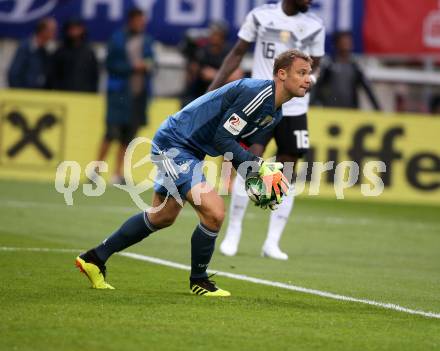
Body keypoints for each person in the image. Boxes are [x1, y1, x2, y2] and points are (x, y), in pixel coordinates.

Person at [75, 49, 313, 296]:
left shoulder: (276, 112)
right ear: (282, 74)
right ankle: (199, 280)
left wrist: (254, 177)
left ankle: (94, 258)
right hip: (175, 143)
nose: (308, 79)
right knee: (215, 212)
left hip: (191, 149)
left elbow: (235, 145)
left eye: (309, 73)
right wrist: (256, 165)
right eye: (302, 73)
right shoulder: (258, 94)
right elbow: (223, 138)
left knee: (162, 216)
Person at [208, 0, 325, 260]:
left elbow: (316, 63)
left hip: (295, 109)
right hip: (261, 103)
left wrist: (309, 79)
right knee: (248, 164)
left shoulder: (315, 25)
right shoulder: (261, 16)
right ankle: (234, 231)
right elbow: (237, 52)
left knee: (288, 171)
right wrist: (213, 88)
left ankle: (272, 242)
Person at [95, 8, 155, 184]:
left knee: (128, 136)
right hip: (119, 94)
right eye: (139, 20)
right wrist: (131, 67)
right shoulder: (117, 39)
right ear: (131, 20)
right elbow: (110, 63)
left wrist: (147, 65)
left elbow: (152, 62)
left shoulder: (148, 40)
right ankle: (96, 170)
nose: (142, 24)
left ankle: (117, 173)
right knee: (110, 133)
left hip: (139, 95)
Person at [312, 31, 381, 110]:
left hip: (350, 111)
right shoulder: (328, 65)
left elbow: (368, 89)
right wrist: (313, 104)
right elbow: (317, 87)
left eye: (348, 42)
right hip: (330, 110)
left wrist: (377, 108)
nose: (346, 44)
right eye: (343, 42)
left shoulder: (355, 67)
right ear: (336, 44)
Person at [181, 21, 243, 106]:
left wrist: (214, 75)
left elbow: (237, 76)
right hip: (199, 94)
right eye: (212, 33)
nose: (213, 37)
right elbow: (191, 77)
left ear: (223, 36)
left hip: (221, 95)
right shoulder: (202, 51)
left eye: (216, 34)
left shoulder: (229, 52)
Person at [49, 19, 98, 92]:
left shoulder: (89, 52)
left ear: (82, 30)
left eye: (77, 29)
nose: (74, 32)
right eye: (72, 29)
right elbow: (54, 75)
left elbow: (94, 76)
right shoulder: (60, 52)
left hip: (84, 95)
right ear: (67, 31)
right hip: (63, 94)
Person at [7, 17, 57, 89]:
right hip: (25, 93)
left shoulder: (50, 50)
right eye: (52, 30)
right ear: (43, 30)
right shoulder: (25, 47)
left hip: (41, 94)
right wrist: (19, 92)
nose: (54, 33)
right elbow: (14, 73)